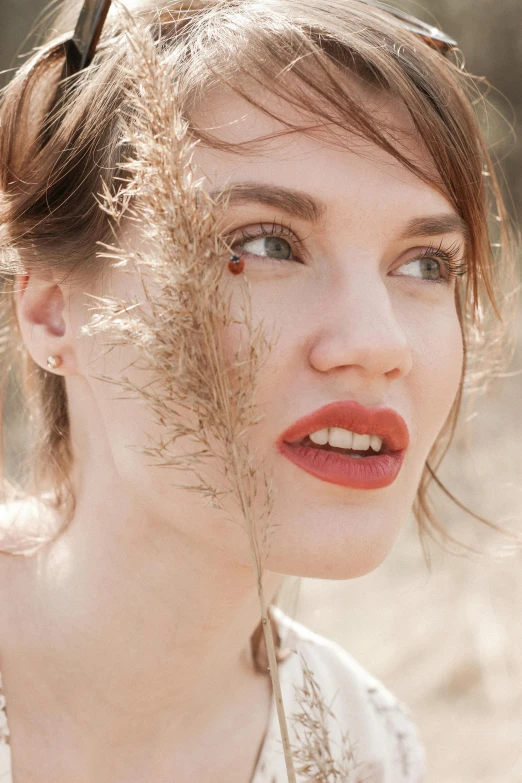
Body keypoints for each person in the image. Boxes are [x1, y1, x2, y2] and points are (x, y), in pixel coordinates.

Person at [0, 1, 515, 781]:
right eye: (265, 243)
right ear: (51, 309)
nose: (379, 344)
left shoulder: (363, 749)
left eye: (425, 263)